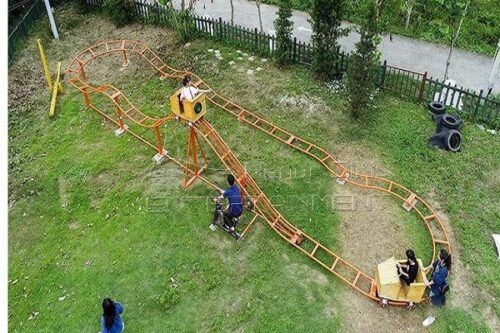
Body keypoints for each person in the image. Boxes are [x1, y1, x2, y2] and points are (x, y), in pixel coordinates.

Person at [422, 249, 452, 327]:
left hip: (438, 287)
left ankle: (432, 318)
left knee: (435, 302)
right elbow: (433, 265)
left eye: (438, 254)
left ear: (442, 258)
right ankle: (443, 300)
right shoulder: (439, 262)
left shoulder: (444, 271)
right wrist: (425, 269)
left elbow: (436, 280)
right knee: (433, 296)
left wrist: (428, 283)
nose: (437, 255)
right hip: (434, 284)